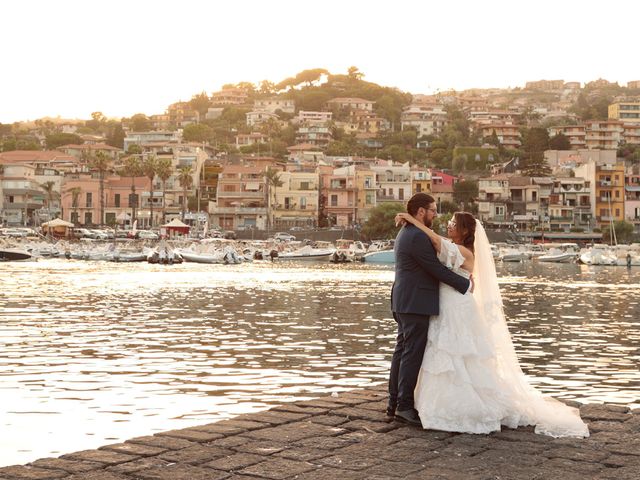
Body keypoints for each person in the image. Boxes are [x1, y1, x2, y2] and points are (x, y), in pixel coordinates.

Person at [395, 210, 589, 438]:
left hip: (457, 305)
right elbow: (438, 241)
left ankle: (462, 403)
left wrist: (413, 222)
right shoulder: (453, 245)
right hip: (446, 303)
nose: (448, 225)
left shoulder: (465, 251)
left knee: (458, 352)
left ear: (465, 231)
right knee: (440, 349)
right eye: (449, 221)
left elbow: (435, 240)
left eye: (453, 223)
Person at [388, 193, 471, 426]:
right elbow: (435, 268)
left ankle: (393, 403)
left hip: (405, 300)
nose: (435, 214)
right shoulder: (416, 236)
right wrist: (465, 284)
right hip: (415, 302)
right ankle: (404, 406)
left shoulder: (408, 232)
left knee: (402, 352)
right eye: (433, 210)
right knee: (411, 355)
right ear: (421, 211)